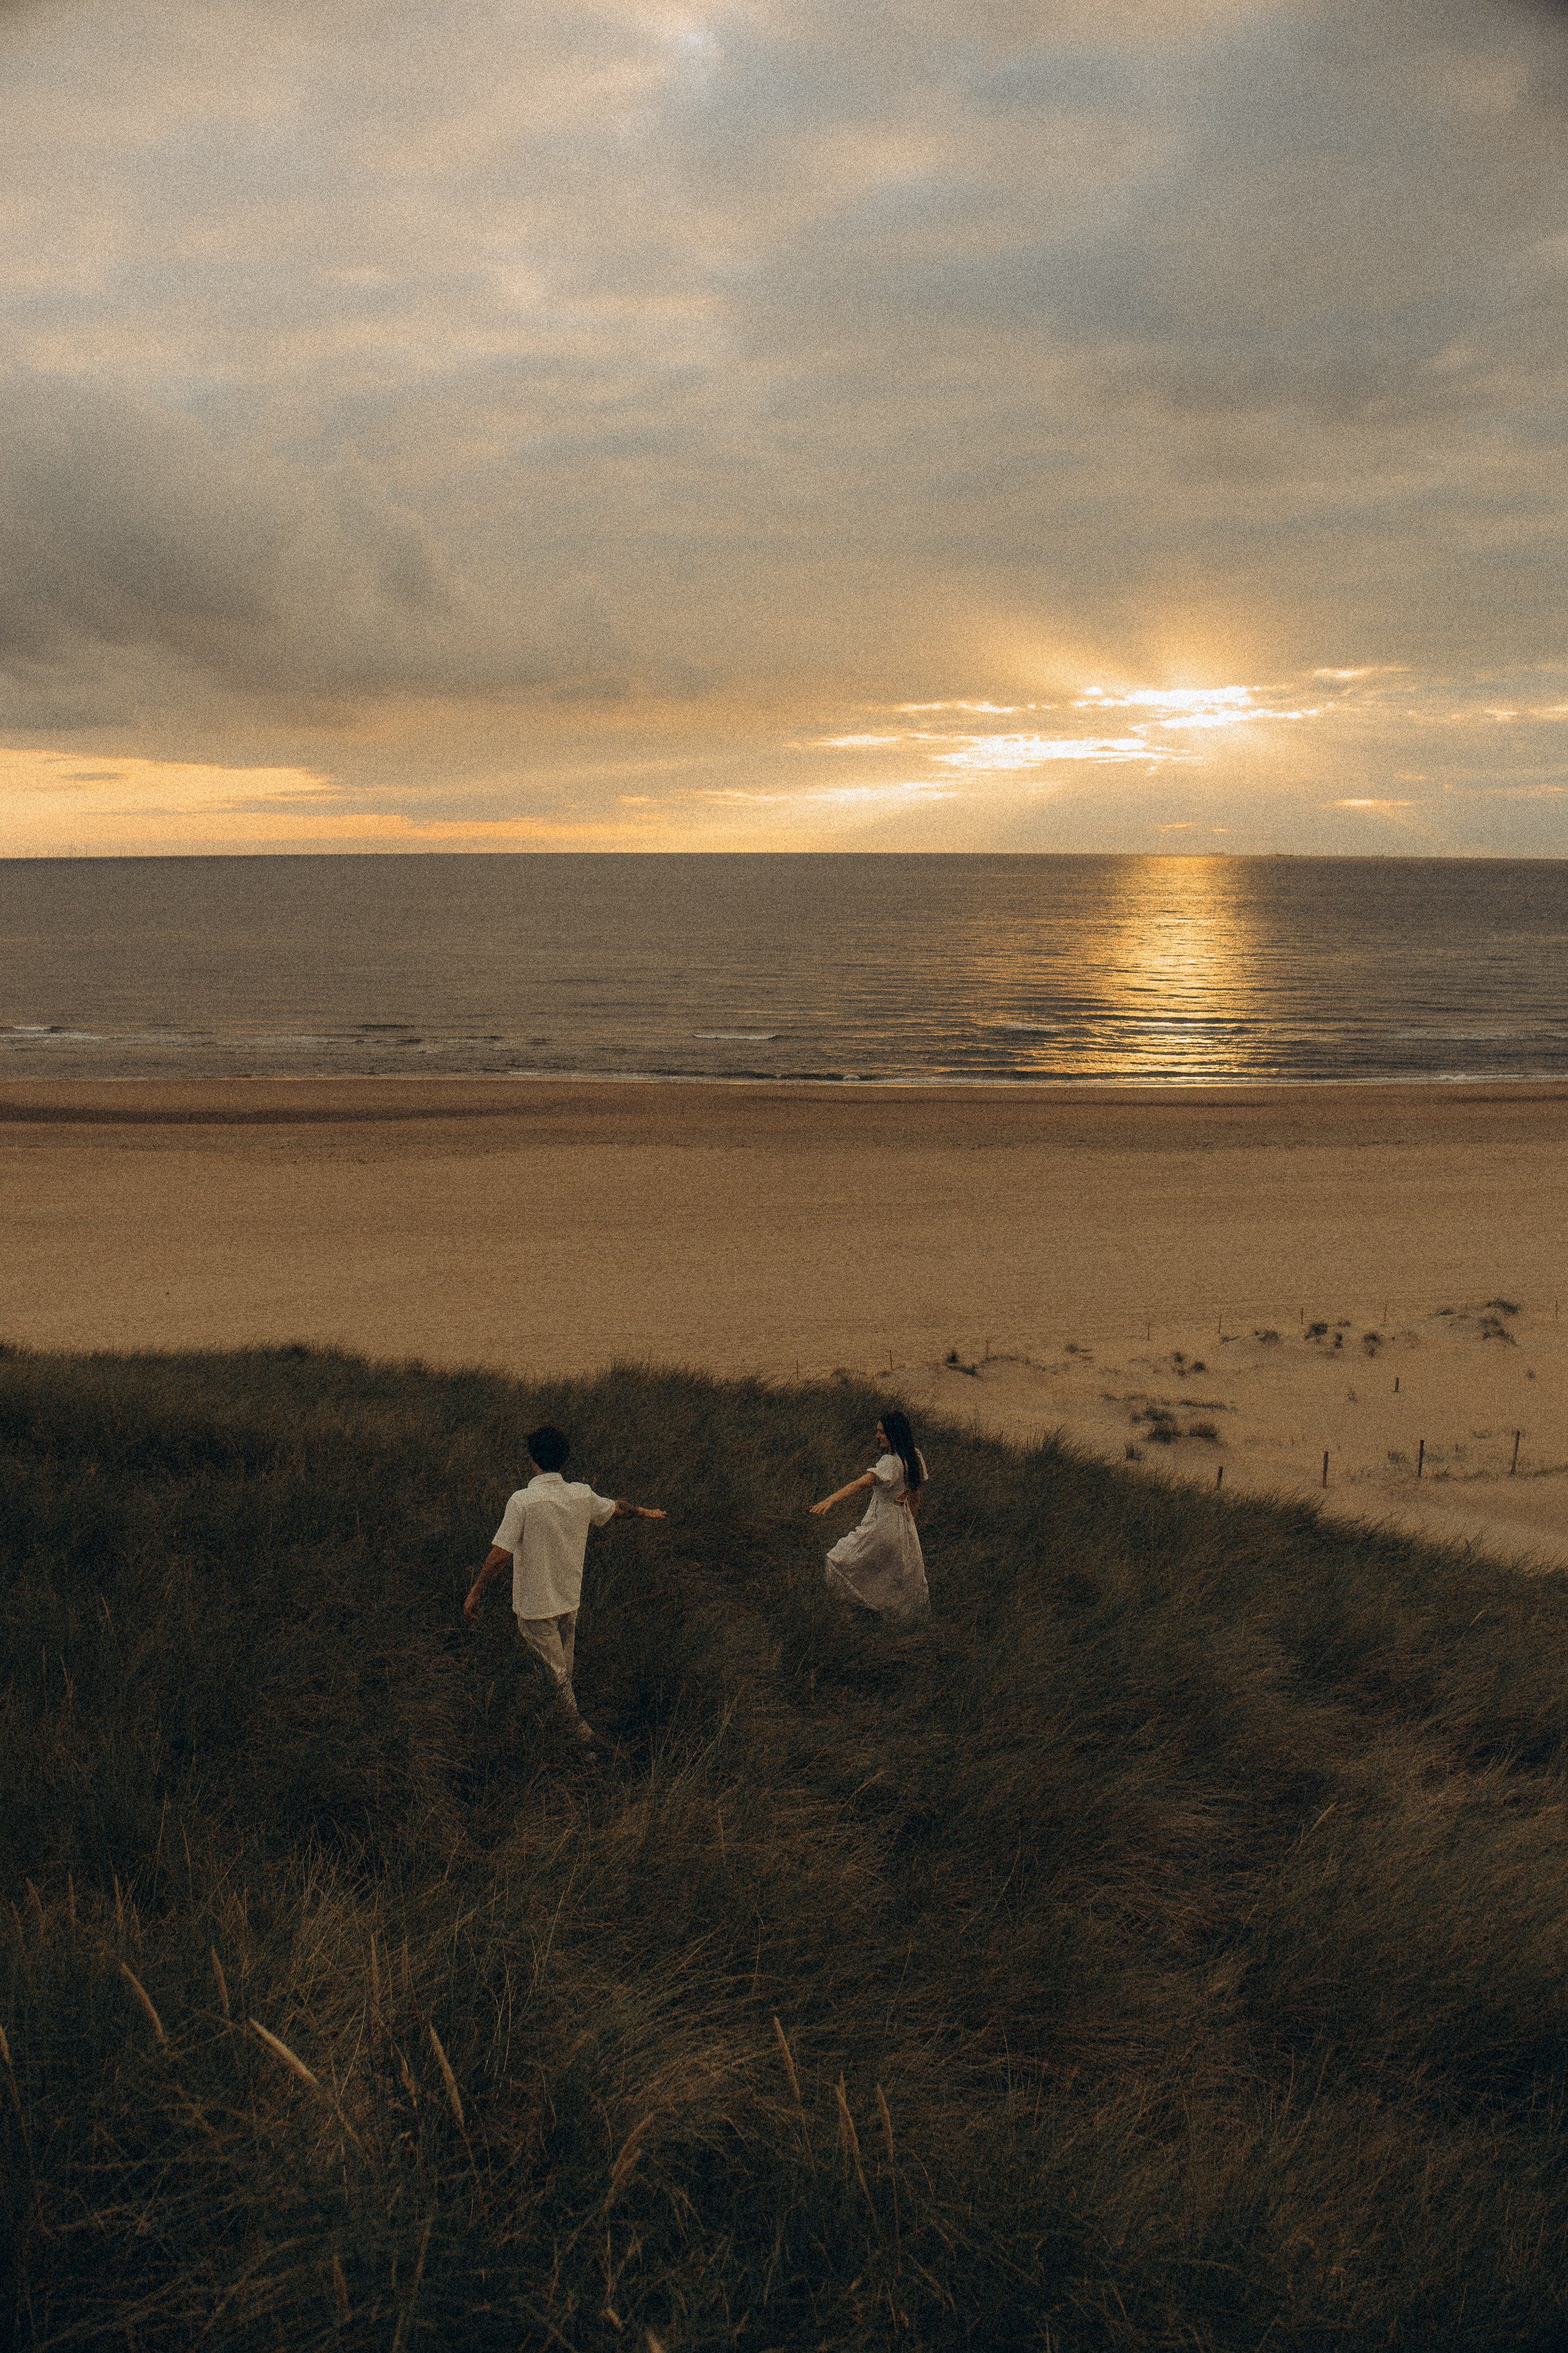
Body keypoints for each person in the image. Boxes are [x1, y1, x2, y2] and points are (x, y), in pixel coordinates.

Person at [463, 1425, 665, 1751]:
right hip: (569, 1600)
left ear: (533, 1460)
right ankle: (556, 1728)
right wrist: (644, 1513)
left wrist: (475, 1592)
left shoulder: (523, 1501)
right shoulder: (581, 1494)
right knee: (561, 1674)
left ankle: (585, 1742)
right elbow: (617, 1507)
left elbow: (500, 1554)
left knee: (555, 1679)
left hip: (536, 1607)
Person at [809, 1408, 930, 1622]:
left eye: (882, 1432)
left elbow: (862, 1483)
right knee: (892, 1574)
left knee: (836, 1561)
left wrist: (831, 1500)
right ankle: (883, 1616)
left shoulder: (890, 1463)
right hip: (903, 1524)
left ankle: (849, 1612)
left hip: (882, 1524)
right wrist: (910, 1526)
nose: (877, 1436)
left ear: (893, 1434)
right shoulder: (914, 1456)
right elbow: (916, 1494)